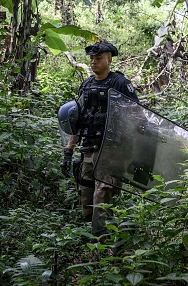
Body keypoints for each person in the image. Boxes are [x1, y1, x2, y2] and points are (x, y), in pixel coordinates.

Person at [60, 41, 138, 236]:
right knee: (86, 198)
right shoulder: (86, 85)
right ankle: (89, 239)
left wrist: (132, 151)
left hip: (111, 151)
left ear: (109, 60)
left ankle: (101, 243)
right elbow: (75, 121)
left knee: (102, 195)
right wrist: (68, 152)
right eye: (92, 59)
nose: (94, 62)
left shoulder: (120, 84)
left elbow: (136, 117)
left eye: (99, 58)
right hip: (87, 149)